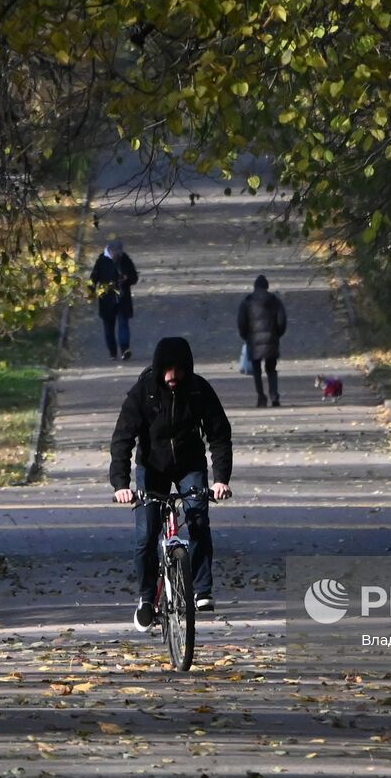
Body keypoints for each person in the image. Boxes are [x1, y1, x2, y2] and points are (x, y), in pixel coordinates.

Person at [111, 337, 233, 630]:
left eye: (178, 370)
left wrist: (221, 480)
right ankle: (145, 598)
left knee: (198, 520)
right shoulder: (143, 393)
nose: (172, 376)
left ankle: (202, 590)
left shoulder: (199, 390)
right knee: (146, 534)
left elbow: (219, 435)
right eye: (167, 370)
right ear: (158, 369)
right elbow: (122, 439)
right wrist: (121, 484)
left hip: (190, 466)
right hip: (151, 468)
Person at [236, 274, 287, 407]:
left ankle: (261, 397)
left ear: (255, 287)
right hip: (271, 339)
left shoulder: (247, 302)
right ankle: (274, 396)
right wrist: (277, 334)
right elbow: (282, 321)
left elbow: (241, 322)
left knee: (256, 371)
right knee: (271, 369)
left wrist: (246, 336)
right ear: (267, 286)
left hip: (253, 341)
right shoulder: (275, 301)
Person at [90, 239, 138, 361]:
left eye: (120, 252)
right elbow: (94, 278)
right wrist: (90, 290)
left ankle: (125, 349)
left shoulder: (125, 259)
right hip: (106, 299)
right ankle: (112, 352)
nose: (119, 255)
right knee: (108, 328)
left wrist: (127, 279)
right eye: (117, 253)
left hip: (123, 299)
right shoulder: (102, 260)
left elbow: (134, 277)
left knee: (123, 325)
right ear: (110, 251)